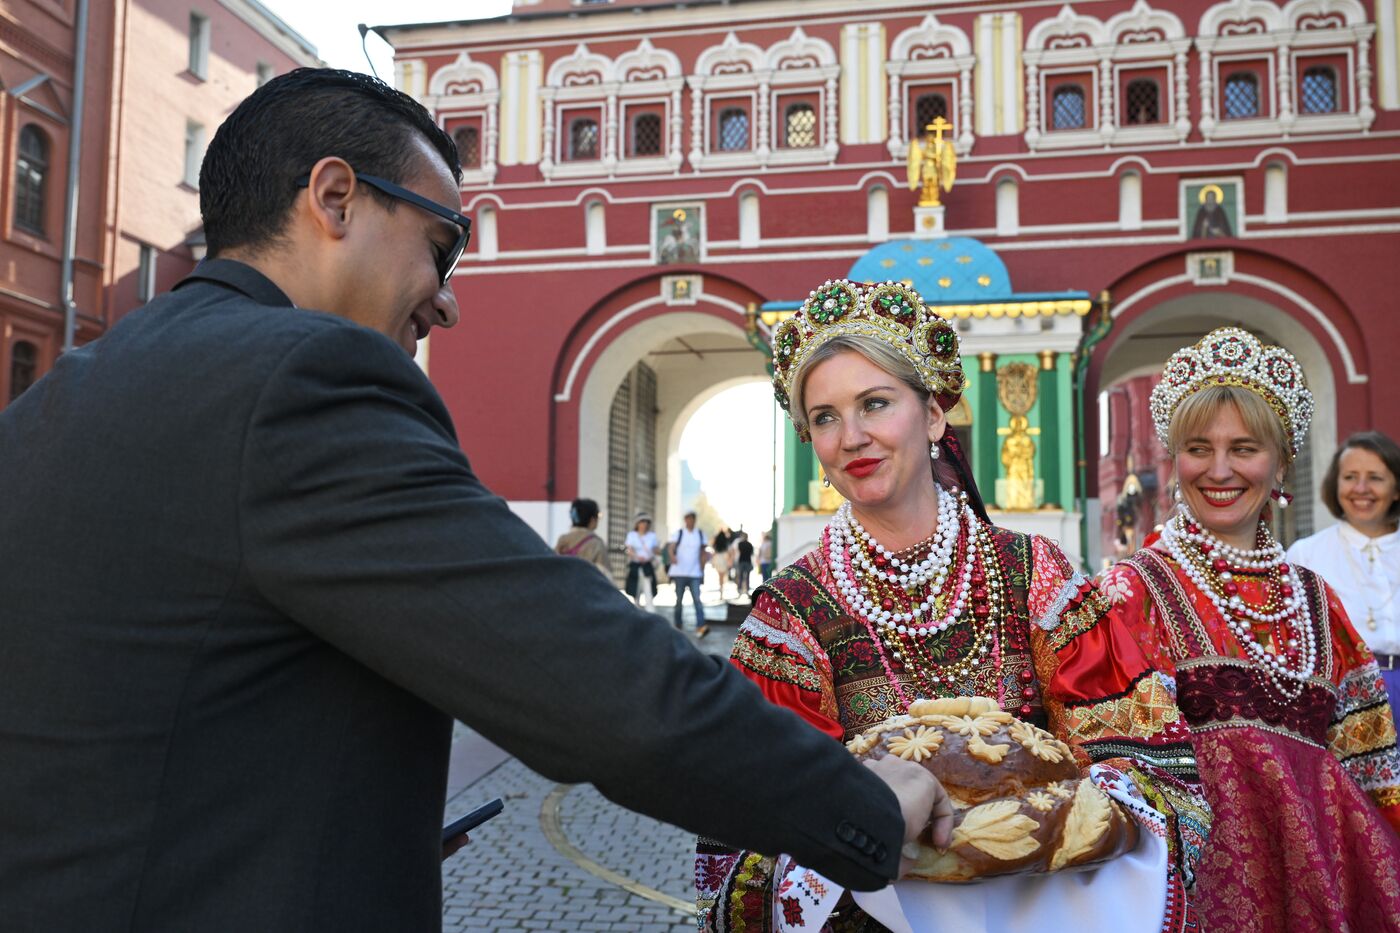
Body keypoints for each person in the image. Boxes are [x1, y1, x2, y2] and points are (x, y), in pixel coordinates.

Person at [0, 70, 949, 931]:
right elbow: (584, 672)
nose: (446, 302)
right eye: (440, 245)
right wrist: (862, 805)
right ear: (334, 198)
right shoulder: (305, 377)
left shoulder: (60, 396)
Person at [698, 279, 1211, 932]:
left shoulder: (1033, 573)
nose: (851, 435)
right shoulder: (792, 612)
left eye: (875, 403)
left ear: (934, 414)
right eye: (824, 416)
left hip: (1048, 911)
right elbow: (751, 815)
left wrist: (1020, 826)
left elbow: (1148, 758)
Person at [1099, 328, 1400, 930]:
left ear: (1282, 460)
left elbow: (1373, 774)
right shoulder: (1132, 593)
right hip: (1192, 888)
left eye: (1243, 448)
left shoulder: (1319, 601)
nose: (1219, 470)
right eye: (1197, 447)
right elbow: (1108, 769)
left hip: (1320, 880)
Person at [1288, 431, 1400, 717]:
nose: (1361, 488)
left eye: (1375, 477)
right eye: (1350, 477)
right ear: (1335, 485)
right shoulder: (1306, 554)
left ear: (1396, 488)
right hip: (1343, 698)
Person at [669, 511, 709, 636]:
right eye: (687, 519)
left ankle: (701, 625)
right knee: (679, 600)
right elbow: (671, 547)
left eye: (691, 519)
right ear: (685, 520)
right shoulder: (679, 533)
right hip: (679, 572)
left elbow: (703, 553)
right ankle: (678, 623)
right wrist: (672, 557)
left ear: (694, 520)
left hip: (694, 573)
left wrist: (702, 569)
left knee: (697, 599)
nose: (689, 521)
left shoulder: (700, 534)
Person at [555, 497, 611, 578]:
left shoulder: (562, 539)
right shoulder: (596, 543)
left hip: (564, 586)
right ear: (592, 520)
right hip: (586, 587)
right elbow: (606, 576)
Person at [624, 512, 660, 611]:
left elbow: (656, 550)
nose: (644, 524)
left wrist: (653, 554)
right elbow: (629, 549)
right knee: (636, 591)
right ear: (637, 523)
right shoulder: (632, 535)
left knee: (648, 590)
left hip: (647, 566)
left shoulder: (652, 536)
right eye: (642, 522)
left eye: (646, 522)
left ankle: (650, 611)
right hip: (635, 565)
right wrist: (636, 556)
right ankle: (636, 612)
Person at [712, 527, 733, 599]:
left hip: (718, 558)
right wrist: (730, 561)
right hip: (724, 558)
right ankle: (721, 590)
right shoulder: (726, 541)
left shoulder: (716, 541)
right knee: (723, 576)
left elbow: (714, 552)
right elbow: (730, 551)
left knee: (720, 576)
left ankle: (721, 590)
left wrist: (713, 562)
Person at [734, 530, 755, 596]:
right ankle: (747, 589)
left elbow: (738, 551)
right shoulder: (750, 544)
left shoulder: (740, 544)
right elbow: (752, 553)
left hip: (741, 561)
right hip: (748, 561)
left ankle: (739, 589)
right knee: (747, 577)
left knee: (741, 576)